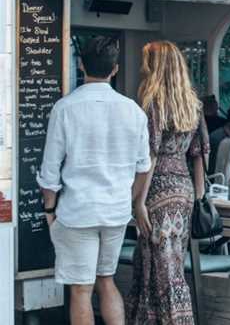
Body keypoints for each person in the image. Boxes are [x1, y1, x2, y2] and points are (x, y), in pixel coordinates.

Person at [38, 37, 150, 325]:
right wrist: (131, 200)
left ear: (80, 64)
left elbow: (50, 172)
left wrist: (49, 211)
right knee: (107, 280)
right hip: (115, 213)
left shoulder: (65, 108)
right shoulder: (133, 111)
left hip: (78, 212)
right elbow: (143, 167)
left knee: (81, 288)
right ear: (114, 69)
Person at [126, 40, 208, 325]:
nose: (142, 67)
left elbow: (150, 155)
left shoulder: (153, 104)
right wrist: (198, 196)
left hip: (158, 189)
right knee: (169, 263)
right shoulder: (192, 104)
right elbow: (198, 154)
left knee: (159, 268)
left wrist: (138, 201)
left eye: (146, 61)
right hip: (183, 190)